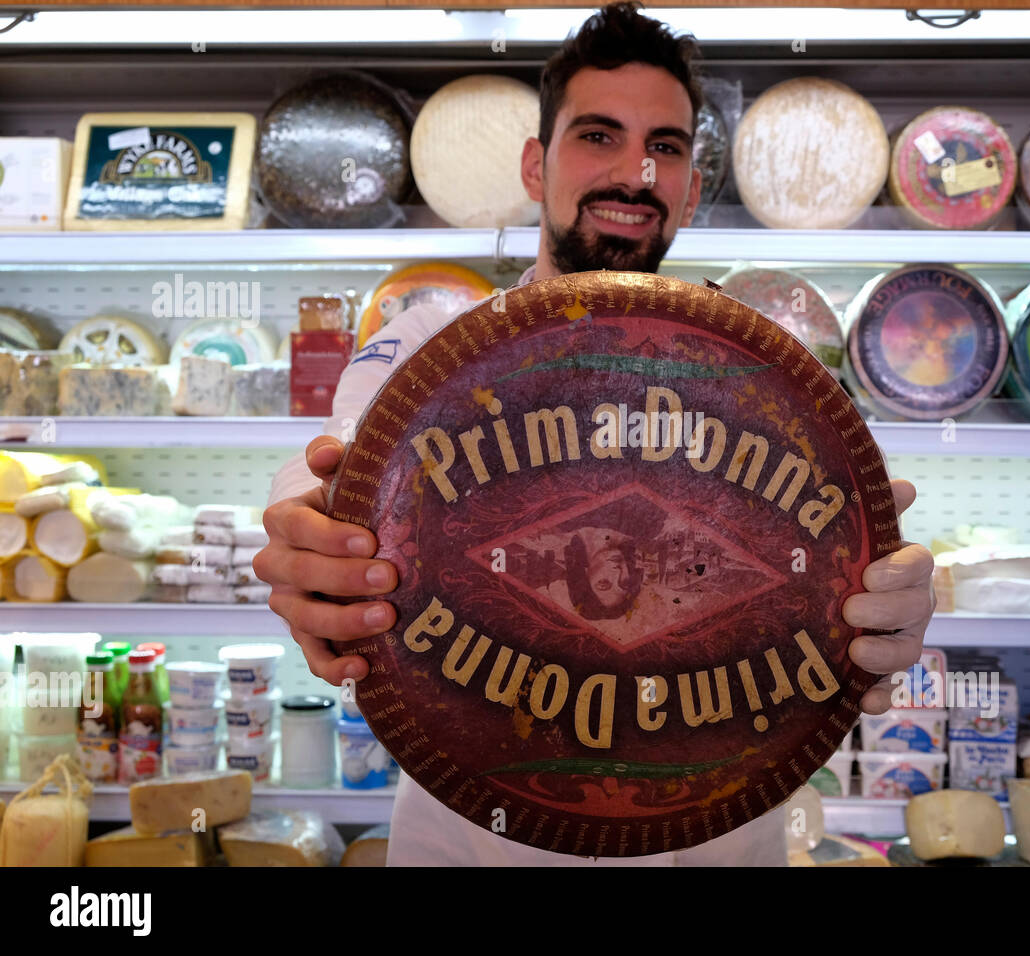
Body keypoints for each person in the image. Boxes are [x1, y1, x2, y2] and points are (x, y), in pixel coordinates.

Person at [255, 1, 936, 866]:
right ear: (537, 165)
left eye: (667, 147)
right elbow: (333, 469)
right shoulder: (434, 340)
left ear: (691, 185)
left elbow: (861, 551)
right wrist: (309, 547)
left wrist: (895, 603)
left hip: (725, 838)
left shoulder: (762, 367)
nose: (636, 172)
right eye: (599, 136)